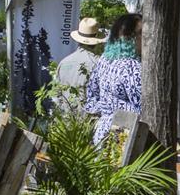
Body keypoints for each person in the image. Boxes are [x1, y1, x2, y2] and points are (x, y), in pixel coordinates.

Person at [84, 14, 142, 145]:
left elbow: (91, 98)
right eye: (140, 33)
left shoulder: (104, 60)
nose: (144, 38)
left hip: (102, 134)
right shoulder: (132, 66)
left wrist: (106, 113)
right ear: (129, 37)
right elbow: (144, 108)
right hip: (123, 138)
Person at [59, 17, 106, 109]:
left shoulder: (63, 62)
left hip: (64, 119)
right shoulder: (98, 63)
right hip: (89, 119)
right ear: (97, 41)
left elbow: (57, 94)